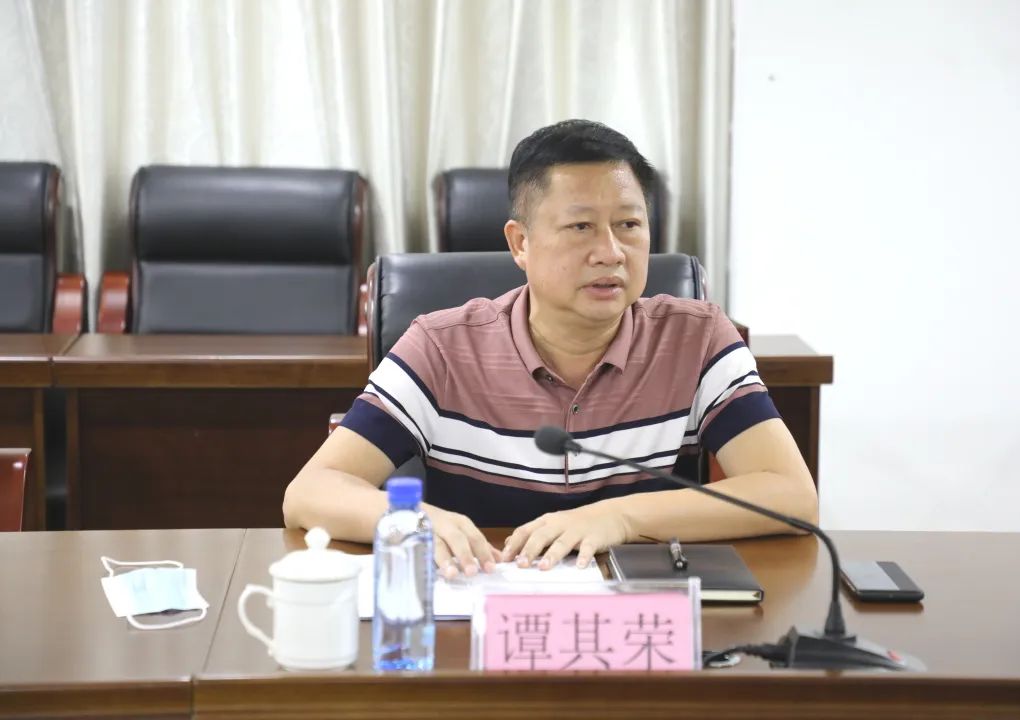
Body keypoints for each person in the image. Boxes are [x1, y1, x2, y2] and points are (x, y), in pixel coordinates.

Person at [283, 119, 817, 577]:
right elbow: (309, 492)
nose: (610, 252)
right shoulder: (442, 347)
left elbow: (792, 497)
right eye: (581, 226)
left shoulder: (696, 339)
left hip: (639, 619)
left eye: (629, 224)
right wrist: (412, 520)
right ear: (520, 243)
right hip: (483, 609)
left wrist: (623, 518)